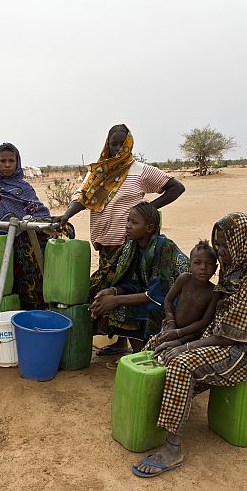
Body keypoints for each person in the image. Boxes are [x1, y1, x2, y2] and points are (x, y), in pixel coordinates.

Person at [132, 212, 247, 478]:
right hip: (220, 336)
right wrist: (178, 335)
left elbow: (234, 335)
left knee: (181, 363)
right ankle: (165, 409)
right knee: (158, 343)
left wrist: (186, 347)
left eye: (227, 245)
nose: (221, 252)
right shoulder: (234, 267)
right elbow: (213, 320)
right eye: (219, 245)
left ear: (244, 242)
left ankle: (172, 448)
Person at [57, 124, 185, 355]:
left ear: (129, 144)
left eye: (120, 144)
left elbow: (176, 187)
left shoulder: (141, 171)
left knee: (126, 291)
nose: (116, 149)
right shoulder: (98, 172)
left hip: (131, 246)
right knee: (111, 290)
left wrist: (148, 210)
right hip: (105, 245)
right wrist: (66, 216)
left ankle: (137, 344)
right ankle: (120, 342)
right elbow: (82, 197)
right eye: (112, 143)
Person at [89, 202, 189, 353]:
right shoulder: (131, 246)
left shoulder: (164, 247)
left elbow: (159, 292)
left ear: (149, 228)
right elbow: (131, 282)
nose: (128, 225)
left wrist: (115, 299)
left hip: (177, 299)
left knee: (150, 309)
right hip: (153, 294)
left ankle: (150, 352)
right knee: (117, 304)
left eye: (134, 222)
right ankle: (137, 353)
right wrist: (113, 292)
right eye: (128, 220)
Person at [0, 142, 60, 310]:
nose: (7, 165)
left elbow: (36, 211)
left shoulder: (24, 187)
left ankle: (33, 314)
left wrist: (44, 224)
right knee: (5, 283)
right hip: (0, 241)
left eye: (11, 161)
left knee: (30, 279)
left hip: (25, 242)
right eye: (3, 161)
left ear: (17, 162)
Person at [154, 240, 220, 346]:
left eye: (209, 264)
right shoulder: (184, 279)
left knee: (170, 353)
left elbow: (205, 321)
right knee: (154, 347)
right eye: (197, 263)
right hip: (171, 326)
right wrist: (171, 324)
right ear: (189, 265)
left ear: (215, 268)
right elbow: (168, 300)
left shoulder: (214, 292)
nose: (203, 267)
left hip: (191, 335)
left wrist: (179, 333)